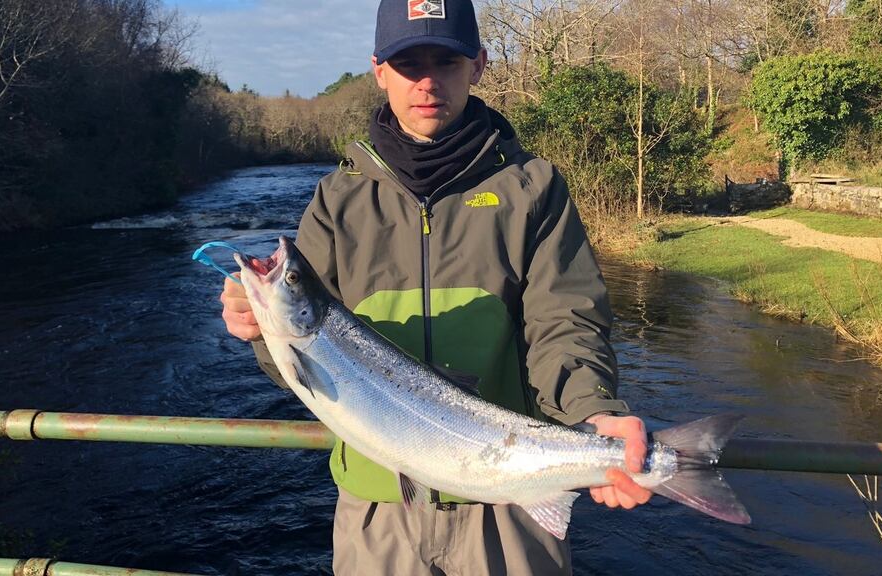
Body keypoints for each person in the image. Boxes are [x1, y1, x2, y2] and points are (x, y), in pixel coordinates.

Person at [220, 1, 651, 573]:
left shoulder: (533, 187)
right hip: (378, 512)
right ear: (378, 70)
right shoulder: (335, 201)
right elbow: (309, 371)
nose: (426, 81)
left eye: (444, 61)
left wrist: (592, 411)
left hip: (510, 500)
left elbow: (565, 322)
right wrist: (259, 330)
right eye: (407, 63)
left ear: (478, 65)